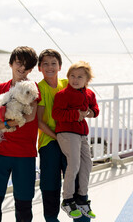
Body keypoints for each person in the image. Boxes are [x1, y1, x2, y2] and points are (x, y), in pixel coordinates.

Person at [0, 46, 41, 222]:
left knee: (23, 206)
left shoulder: (32, 88)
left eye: (27, 66)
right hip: (0, 151)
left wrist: (2, 123)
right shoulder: (1, 88)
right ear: (11, 63)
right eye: (19, 63)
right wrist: (1, 116)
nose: (22, 69)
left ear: (31, 69)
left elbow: (29, 117)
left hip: (24, 153)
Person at [37, 49, 91, 222]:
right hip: (50, 140)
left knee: (77, 173)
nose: (50, 67)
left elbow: (87, 99)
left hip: (72, 137)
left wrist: (90, 112)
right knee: (51, 183)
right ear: (39, 67)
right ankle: (51, 218)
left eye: (53, 63)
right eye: (45, 63)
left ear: (60, 66)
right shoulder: (39, 88)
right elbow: (39, 121)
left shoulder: (68, 83)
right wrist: (56, 137)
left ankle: (82, 216)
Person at [52, 61, 99, 219]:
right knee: (74, 163)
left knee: (87, 163)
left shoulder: (89, 94)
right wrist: (76, 115)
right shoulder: (63, 94)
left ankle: (82, 198)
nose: (75, 79)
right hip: (67, 132)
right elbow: (56, 114)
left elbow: (95, 110)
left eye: (80, 77)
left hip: (81, 133)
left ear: (87, 80)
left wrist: (89, 113)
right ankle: (68, 199)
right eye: (72, 76)